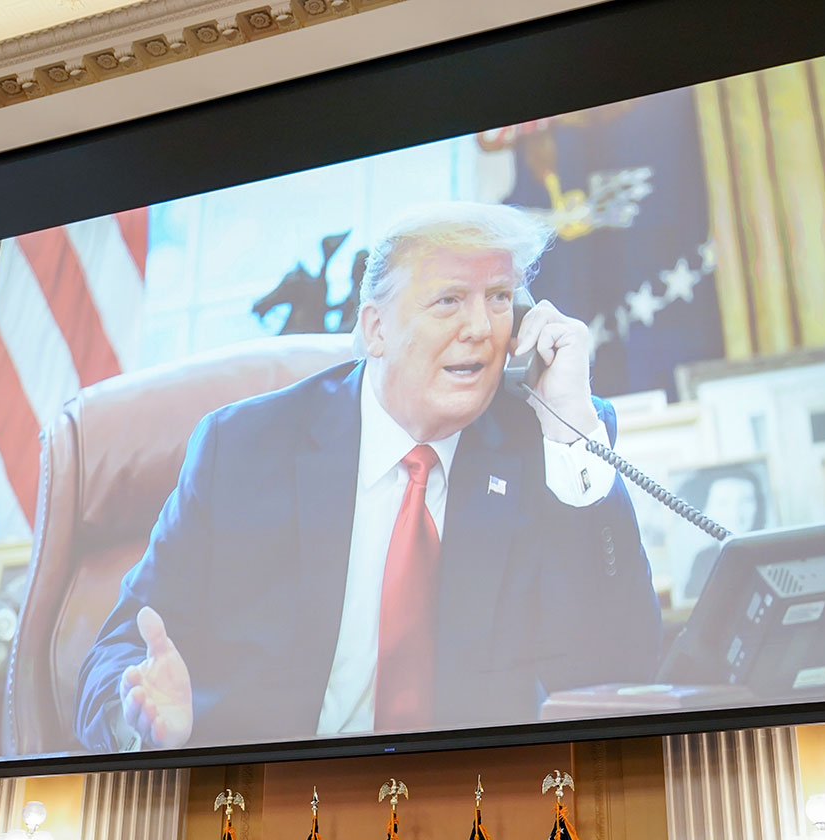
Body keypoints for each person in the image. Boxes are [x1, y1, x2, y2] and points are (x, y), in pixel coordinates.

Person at [77, 201, 662, 752]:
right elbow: (119, 649)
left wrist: (571, 436)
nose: (482, 328)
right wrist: (145, 725)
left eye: (501, 298)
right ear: (376, 329)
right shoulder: (243, 451)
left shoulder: (548, 442)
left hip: (478, 803)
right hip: (268, 804)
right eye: (449, 301)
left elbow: (624, 668)